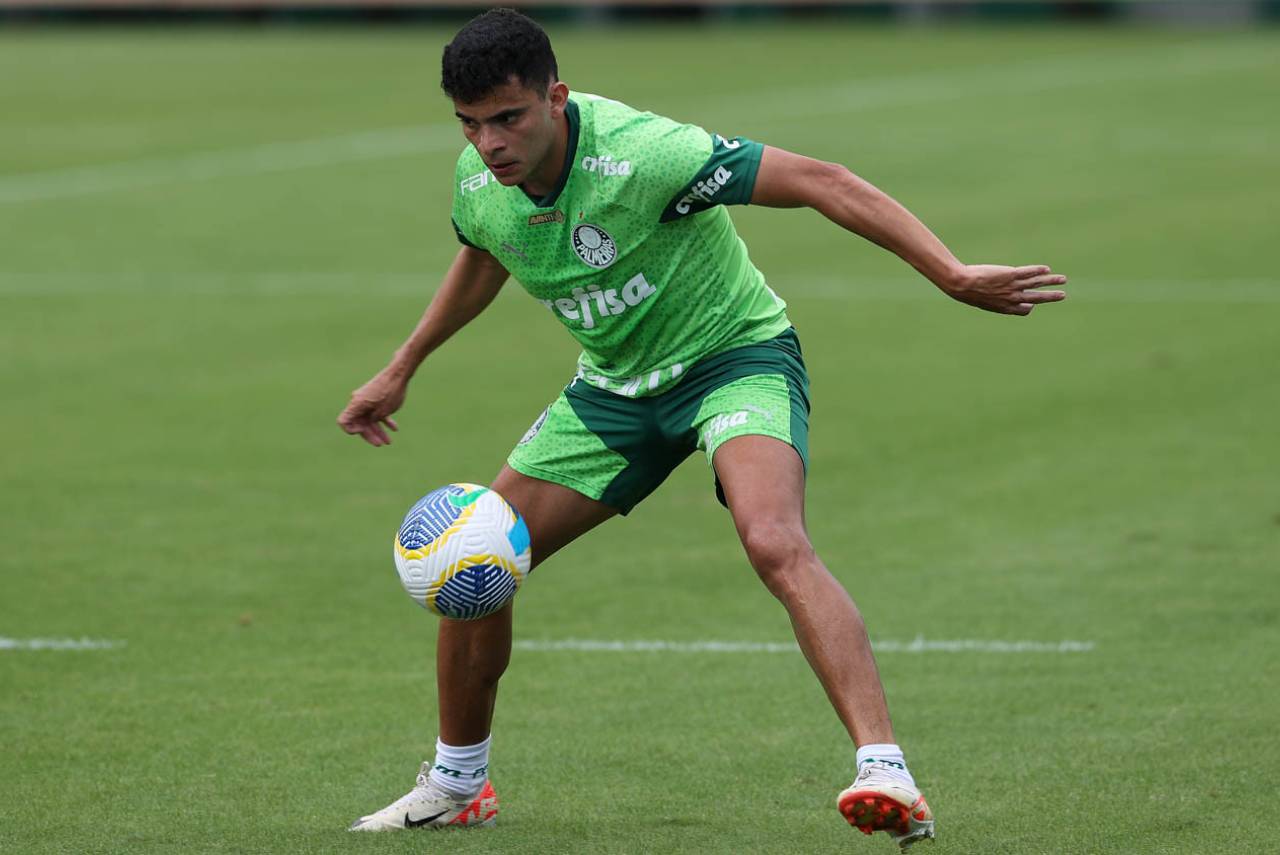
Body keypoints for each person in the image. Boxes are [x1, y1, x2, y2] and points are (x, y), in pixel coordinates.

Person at [339, 8, 1065, 849]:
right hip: (613, 391)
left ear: (556, 98)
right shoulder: (480, 182)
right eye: (470, 124)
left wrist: (951, 272)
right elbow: (486, 250)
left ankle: (885, 769)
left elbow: (823, 179)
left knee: (773, 540)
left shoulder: (647, 155)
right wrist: (403, 365)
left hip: (733, 360)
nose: (490, 143)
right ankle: (458, 783)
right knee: (475, 554)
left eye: (509, 118)